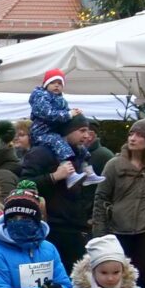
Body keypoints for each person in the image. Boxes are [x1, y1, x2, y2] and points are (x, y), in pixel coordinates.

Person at [93, 118, 145, 288]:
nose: (133, 138)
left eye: (139, 135)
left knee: (141, 278)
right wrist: (99, 233)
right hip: (118, 229)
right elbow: (101, 198)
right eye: (131, 134)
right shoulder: (114, 165)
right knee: (116, 277)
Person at [22, 113, 97, 269]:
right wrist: (54, 177)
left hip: (76, 226)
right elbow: (23, 185)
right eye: (82, 130)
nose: (86, 135)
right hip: (52, 228)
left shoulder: (79, 153)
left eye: (87, 131)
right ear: (67, 130)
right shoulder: (41, 152)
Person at [29, 69, 81, 172]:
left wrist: (74, 112)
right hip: (41, 132)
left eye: (60, 83)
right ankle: (67, 169)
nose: (56, 85)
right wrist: (69, 114)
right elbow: (48, 114)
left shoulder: (61, 100)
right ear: (46, 84)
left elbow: (66, 112)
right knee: (58, 142)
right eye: (52, 82)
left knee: (78, 145)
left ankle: (86, 168)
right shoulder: (41, 97)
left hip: (55, 131)